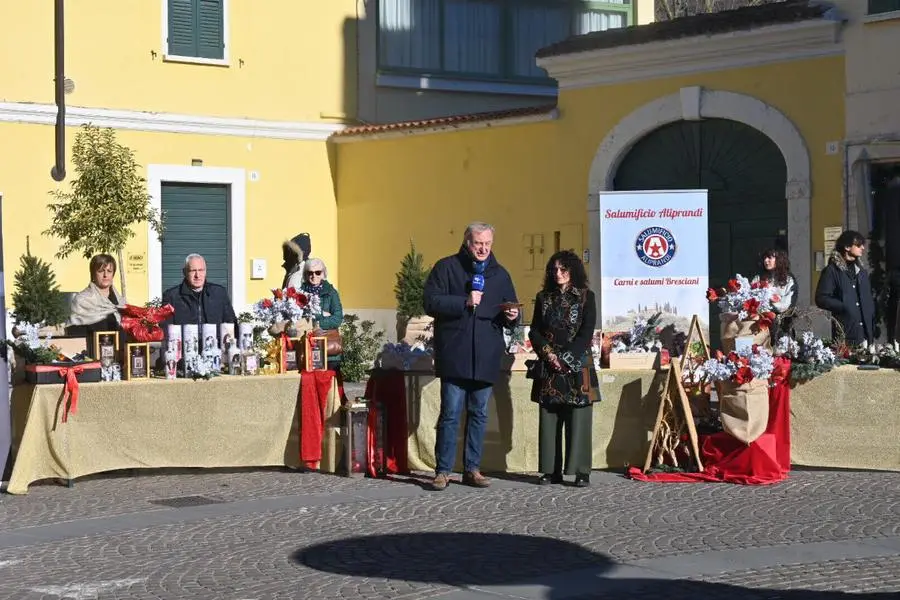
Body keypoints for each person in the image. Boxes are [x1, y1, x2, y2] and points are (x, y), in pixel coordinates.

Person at [423, 222, 519, 491]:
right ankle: (443, 471)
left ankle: (472, 469)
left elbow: (510, 309)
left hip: (486, 355)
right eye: (479, 243)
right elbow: (430, 302)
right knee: (451, 414)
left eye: (488, 244)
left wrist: (513, 315)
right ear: (467, 242)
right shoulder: (446, 268)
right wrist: (463, 302)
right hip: (455, 353)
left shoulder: (500, 275)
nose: (483, 248)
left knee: (479, 415)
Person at [529, 250, 598, 488]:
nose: (558, 274)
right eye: (554, 270)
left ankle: (581, 471)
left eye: (563, 269)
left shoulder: (587, 297)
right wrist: (549, 355)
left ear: (573, 271)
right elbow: (534, 331)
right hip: (549, 364)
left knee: (579, 418)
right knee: (549, 417)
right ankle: (550, 470)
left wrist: (566, 358)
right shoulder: (543, 297)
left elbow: (586, 332)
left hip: (578, 364)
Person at [815, 230, 876, 346]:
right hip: (846, 334)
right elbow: (821, 298)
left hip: (867, 335)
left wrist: (873, 324)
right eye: (858, 245)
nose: (862, 248)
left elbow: (868, 300)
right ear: (847, 247)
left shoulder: (862, 272)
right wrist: (844, 305)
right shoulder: (832, 271)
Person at [162, 254, 237, 329]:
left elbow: (231, 324)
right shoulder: (171, 296)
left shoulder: (219, 293)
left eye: (201, 270)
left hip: (215, 340)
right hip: (184, 340)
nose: (197, 275)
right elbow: (166, 328)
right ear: (184, 272)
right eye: (193, 270)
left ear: (205, 271)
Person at [68, 254, 126, 339]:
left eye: (109, 271)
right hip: (92, 349)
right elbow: (74, 334)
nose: (105, 275)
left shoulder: (120, 302)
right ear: (93, 274)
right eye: (101, 271)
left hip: (119, 349)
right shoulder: (82, 300)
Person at [302, 257, 344, 368]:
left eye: (318, 272)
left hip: (328, 348)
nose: (314, 276)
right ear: (305, 275)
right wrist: (323, 316)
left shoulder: (331, 292)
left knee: (328, 381)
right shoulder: (299, 292)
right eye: (310, 273)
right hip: (305, 345)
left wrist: (316, 323)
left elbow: (338, 318)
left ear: (323, 273)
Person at [752, 248, 798, 339]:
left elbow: (785, 305)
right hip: (759, 327)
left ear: (779, 259)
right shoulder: (758, 278)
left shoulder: (789, 280)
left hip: (782, 327)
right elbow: (751, 299)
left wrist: (770, 299)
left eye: (769, 258)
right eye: (765, 258)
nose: (766, 261)